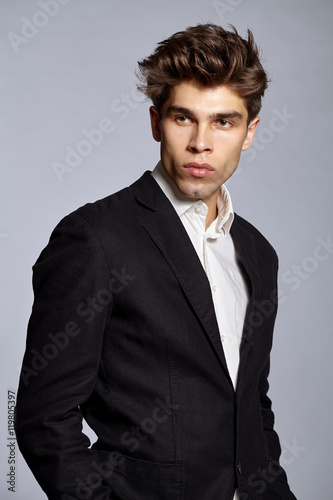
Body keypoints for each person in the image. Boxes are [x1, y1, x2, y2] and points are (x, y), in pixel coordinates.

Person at [15, 23, 297, 500]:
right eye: (183, 118)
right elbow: (43, 420)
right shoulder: (95, 238)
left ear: (250, 132)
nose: (201, 143)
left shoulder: (257, 252)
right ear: (155, 122)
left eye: (224, 122)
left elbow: (250, 404)